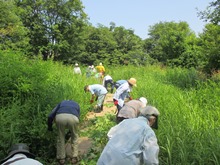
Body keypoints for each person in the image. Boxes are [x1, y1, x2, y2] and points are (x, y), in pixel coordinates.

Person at [47, 100, 80, 165]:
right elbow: (77, 116)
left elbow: (50, 116)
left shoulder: (61, 103)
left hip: (60, 117)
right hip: (73, 118)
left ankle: (61, 159)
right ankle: (74, 157)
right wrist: (71, 130)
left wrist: (49, 127)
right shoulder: (77, 104)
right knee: (74, 136)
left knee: (60, 137)